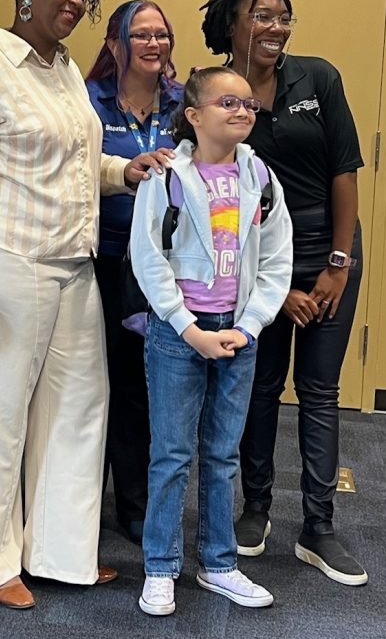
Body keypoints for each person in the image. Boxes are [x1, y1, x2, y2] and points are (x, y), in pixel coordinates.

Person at [0, 0, 165, 610]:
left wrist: (124, 172)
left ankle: (62, 551)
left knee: (78, 412)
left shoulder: (63, 72)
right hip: (6, 267)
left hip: (73, 266)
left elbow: (71, 163)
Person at [200, 0, 369, 586]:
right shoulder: (219, 91)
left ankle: (320, 527)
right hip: (256, 262)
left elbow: (344, 174)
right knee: (260, 387)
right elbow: (212, 184)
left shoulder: (318, 79)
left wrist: (336, 266)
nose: (275, 28)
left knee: (320, 390)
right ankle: (257, 509)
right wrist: (277, 287)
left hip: (329, 256)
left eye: (283, 17)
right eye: (262, 16)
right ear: (232, 23)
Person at [129, 66, 292, 616]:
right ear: (195, 116)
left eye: (248, 103)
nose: (242, 110)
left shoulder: (261, 177)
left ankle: (219, 563)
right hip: (180, 334)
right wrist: (187, 327)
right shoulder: (165, 175)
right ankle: (160, 567)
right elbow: (147, 258)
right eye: (228, 101)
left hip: (237, 334)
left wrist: (249, 326)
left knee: (223, 454)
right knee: (171, 455)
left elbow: (276, 260)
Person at [84, 0, 181, 544]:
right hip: (98, 260)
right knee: (89, 384)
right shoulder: (88, 102)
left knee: (139, 388)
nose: (153, 44)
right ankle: (76, 504)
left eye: (161, 35)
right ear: (116, 46)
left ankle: (135, 504)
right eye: (139, 35)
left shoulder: (181, 106)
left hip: (159, 270)